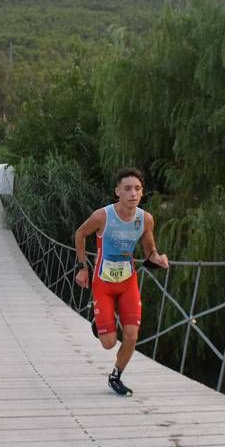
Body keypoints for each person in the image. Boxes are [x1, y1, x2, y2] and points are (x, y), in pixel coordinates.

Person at [74, 167, 169, 396]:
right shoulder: (102, 216)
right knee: (108, 342)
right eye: (127, 189)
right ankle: (99, 319)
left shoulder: (145, 219)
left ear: (142, 192)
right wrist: (82, 268)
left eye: (137, 189)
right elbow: (80, 234)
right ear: (117, 191)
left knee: (132, 335)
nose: (133, 193)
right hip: (103, 283)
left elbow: (149, 252)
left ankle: (116, 376)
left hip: (128, 282)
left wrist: (159, 258)